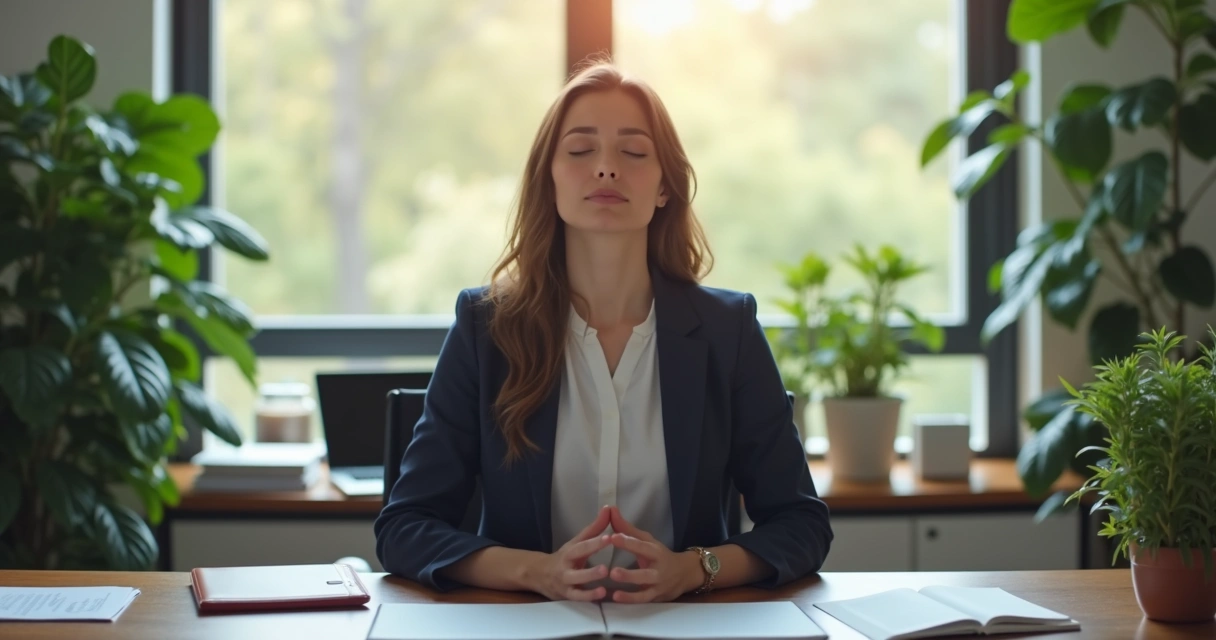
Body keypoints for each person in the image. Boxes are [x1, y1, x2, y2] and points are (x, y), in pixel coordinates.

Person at [374, 61, 832, 603]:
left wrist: (691, 570)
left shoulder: (726, 331)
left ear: (665, 187)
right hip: (527, 628)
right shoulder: (486, 328)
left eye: (634, 153)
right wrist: (538, 572)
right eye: (581, 150)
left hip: (684, 628)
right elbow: (404, 527)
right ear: (549, 178)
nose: (607, 169)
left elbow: (802, 524)